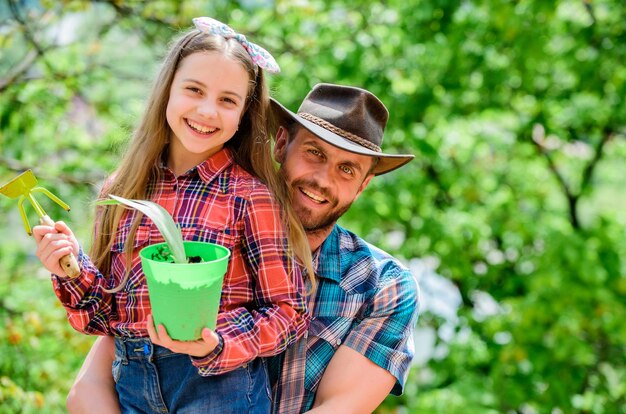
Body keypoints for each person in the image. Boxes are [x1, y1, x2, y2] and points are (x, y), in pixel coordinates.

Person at [65, 83, 420, 413]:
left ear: (362, 186)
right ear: (281, 144)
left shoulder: (383, 287)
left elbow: (337, 408)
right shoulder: (203, 244)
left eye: (347, 169)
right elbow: (92, 383)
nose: (322, 179)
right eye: (314, 152)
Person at [33, 17, 313, 413]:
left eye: (227, 100)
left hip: (218, 387)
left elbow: (289, 312)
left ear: (244, 114)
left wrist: (218, 343)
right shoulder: (123, 190)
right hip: (131, 380)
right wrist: (69, 270)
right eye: (194, 90)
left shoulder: (250, 196)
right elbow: (105, 317)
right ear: (168, 90)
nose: (207, 111)